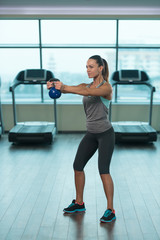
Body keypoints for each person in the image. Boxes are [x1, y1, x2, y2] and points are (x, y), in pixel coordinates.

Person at [47, 55, 116, 223]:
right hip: (91, 134)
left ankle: (110, 209)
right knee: (77, 166)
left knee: (104, 171)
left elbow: (87, 92)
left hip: (105, 134)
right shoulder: (86, 85)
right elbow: (75, 89)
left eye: (91, 66)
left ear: (101, 68)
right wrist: (56, 85)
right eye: (86, 67)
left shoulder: (106, 88)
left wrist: (65, 87)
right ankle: (79, 203)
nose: (88, 70)